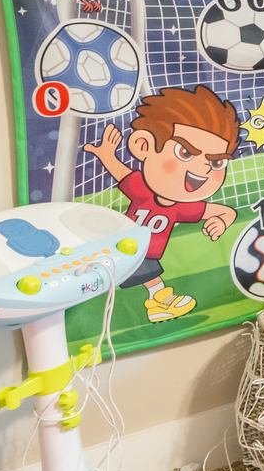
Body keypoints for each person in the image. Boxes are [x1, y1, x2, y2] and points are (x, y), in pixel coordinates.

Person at [83, 86, 242, 321]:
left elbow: (223, 211)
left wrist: (223, 221)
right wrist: (107, 154)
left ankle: (158, 302)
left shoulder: (182, 207)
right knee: (138, 269)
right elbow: (121, 173)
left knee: (145, 267)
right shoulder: (141, 188)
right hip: (123, 248)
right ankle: (159, 300)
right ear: (143, 146)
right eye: (185, 153)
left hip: (141, 253)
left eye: (216, 163)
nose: (204, 168)